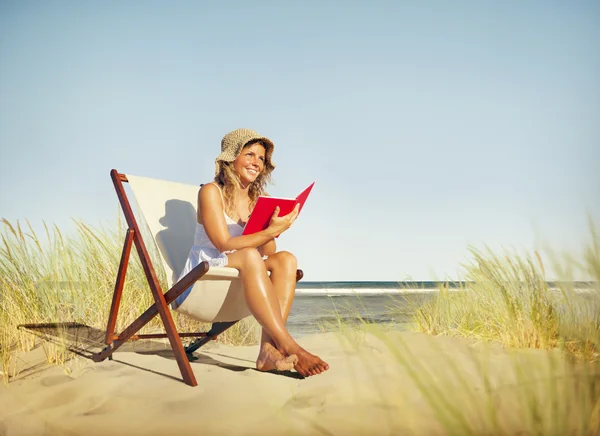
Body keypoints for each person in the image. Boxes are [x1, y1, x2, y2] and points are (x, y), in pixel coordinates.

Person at [176, 128, 329, 377]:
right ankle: (289, 345)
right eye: (249, 154)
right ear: (230, 158)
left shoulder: (258, 199)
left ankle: (267, 351)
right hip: (204, 279)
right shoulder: (210, 192)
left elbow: (269, 250)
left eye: (261, 158)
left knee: (286, 259)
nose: (256, 162)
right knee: (250, 255)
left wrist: (275, 227)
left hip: (239, 279)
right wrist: (269, 232)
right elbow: (223, 243)